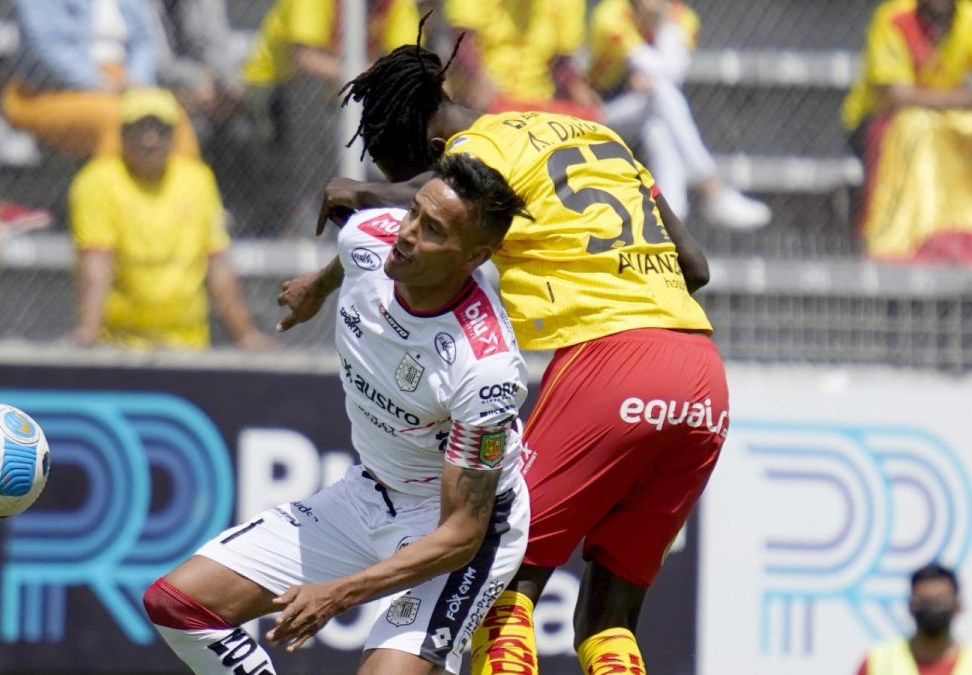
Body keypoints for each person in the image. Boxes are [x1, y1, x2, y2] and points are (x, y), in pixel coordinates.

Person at [277, 43, 730, 675]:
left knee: (498, 587)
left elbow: (428, 195)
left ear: (439, 155)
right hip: (702, 381)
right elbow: (696, 268)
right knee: (609, 624)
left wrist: (364, 190)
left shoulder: (482, 147)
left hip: (611, 362)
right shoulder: (597, 136)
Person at [142, 153, 532, 674]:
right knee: (178, 605)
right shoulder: (371, 234)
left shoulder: (485, 369)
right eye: (413, 212)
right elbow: (351, 256)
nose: (407, 233)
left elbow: (461, 533)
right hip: (367, 495)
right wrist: (315, 289)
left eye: (433, 230)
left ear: (474, 256)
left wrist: (338, 593)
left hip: (455, 532)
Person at [66, 87, 271, 350]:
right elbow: (96, 263)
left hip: (189, 345)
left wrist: (246, 334)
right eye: (140, 128)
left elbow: (217, 263)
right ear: (122, 134)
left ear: (175, 136)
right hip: (119, 346)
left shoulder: (197, 180)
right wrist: (88, 334)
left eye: (160, 130)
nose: (150, 140)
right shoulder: (97, 182)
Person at [587, 0, 772, 231]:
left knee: (658, 123)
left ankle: (673, 225)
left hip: (649, 107)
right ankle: (711, 188)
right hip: (603, 108)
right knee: (662, 95)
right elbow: (652, 69)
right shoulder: (612, 14)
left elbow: (673, 74)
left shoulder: (683, 19)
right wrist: (652, 77)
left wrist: (664, 25)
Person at [239, 0, 420, 233]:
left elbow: (408, 61)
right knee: (307, 92)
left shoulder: (395, 4)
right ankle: (306, 207)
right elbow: (304, 60)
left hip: (346, 93)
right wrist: (371, 74)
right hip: (276, 91)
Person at [842, 0, 972, 261]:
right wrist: (961, 99)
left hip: (945, 117)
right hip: (885, 119)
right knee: (919, 127)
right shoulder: (893, 19)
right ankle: (916, 235)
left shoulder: (968, 17)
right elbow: (898, 96)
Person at [0, 0, 199, 159]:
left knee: (173, 117)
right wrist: (99, 83)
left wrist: (136, 79)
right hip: (51, 91)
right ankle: (113, 198)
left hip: (126, 83)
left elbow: (145, 40)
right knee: (115, 121)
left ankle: (191, 197)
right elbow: (45, 48)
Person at [442, 0, 601, 117]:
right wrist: (479, 76)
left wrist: (577, 89)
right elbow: (462, 39)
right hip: (480, 103)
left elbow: (561, 61)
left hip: (536, 103)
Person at [855, 563, 969, 675]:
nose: (932, 609)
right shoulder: (878, 662)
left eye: (940, 601)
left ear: (957, 606)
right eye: (925, 602)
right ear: (911, 606)